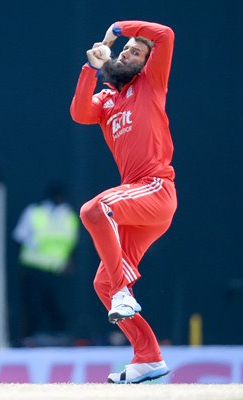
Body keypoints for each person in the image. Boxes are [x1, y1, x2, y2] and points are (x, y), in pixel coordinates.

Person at [70, 20, 177, 383]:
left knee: (93, 209)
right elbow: (80, 114)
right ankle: (148, 356)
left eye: (136, 52)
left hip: (155, 189)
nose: (128, 53)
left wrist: (118, 28)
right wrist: (91, 67)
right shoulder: (107, 99)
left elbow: (165, 36)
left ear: (146, 64)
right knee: (102, 283)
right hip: (134, 200)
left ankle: (122, 294)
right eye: (126, 48)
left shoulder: (151, 83)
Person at [12, 183, 79, 345]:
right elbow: (19, 237)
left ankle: (60, 335)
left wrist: (68, 262)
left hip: (56, 269)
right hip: (34, 267)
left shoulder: (69, 216)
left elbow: (70, 243)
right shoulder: (34, 212)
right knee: (33, 305)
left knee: (55, 305)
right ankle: (29, 337)